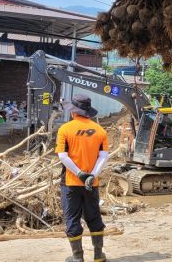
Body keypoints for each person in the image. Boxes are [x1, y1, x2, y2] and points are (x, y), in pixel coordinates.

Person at [56, 95, 109, 262]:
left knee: (72, 218)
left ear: (73, 112)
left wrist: (79, 173)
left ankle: (78, 258)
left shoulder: (65, 129)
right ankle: (98, 256)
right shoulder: (100, 131)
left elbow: (63, 156)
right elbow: (103, 157)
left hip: (71, 183)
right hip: (91, 184)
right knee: (94, 217)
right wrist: (92, 175)